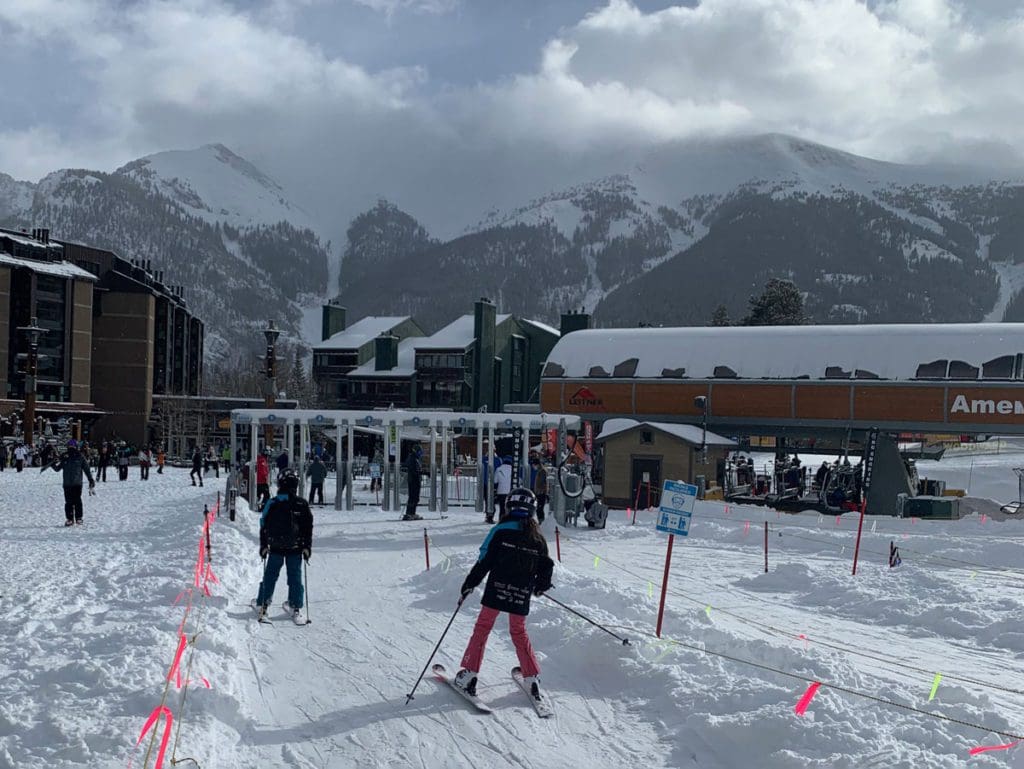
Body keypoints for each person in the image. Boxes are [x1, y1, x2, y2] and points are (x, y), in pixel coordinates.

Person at [454, 488, 553, 700]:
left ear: (508, 507)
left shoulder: (500, 531)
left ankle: (470, 674)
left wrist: (469, 584)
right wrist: (539, 587)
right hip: (520, 593)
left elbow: (485, 560)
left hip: (496, 590)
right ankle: (532, 677)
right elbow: (546, 566)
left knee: (482, 628)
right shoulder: (538, 538)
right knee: (518, 631)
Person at [254, 470, 313, 623]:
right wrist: (307, 547)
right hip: (296, 548)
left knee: (270, 576)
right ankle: (296, 605)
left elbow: (263, 525)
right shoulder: (301, 504)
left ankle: (263, 604)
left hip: (275, 547)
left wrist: (263, 545)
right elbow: (308, 527)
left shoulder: (272, 503)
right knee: (295, 577)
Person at [50, 439, 96, 526]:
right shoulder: (64, 457)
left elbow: (86, 469)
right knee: (68, 502)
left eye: (72, 446)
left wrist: (90, 479)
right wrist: (52, 463)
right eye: (69, 446)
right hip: (67, 483)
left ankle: (79, 518)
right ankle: (70, 519)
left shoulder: (80, 456)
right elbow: (57, 469)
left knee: (77, 501)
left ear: (76, 447)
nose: (71, 448)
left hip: (77, 483)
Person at [403, 444, 424, 521]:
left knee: (415, 498)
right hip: (413, 480)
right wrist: (422, 472)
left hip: (415, 480)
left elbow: (417, 470)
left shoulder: (415, 459)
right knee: (413, 497)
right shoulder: (412, 459)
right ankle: (409, 513)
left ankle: (412, 513)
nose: (421, 454)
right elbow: (414, 471)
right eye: (420, 452)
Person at [492, 457, 512, 524]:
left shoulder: (499, 469)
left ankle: (501, 520)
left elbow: (495, 481)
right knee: (509, 507)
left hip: (501, 491)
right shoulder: (513, 469)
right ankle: (509, 520)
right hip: (510, 491)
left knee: (502, 507)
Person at [531, 456, 548, 524]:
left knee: (539, 509)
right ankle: (541, 521)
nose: (533, 466)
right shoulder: (540, 471)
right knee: (538, 509)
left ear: (537, 464)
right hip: (539, 492)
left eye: (533, 465)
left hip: (541, 493)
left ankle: (542, 522)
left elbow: (542, 482)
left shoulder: (542, 471)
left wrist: (540, 491)